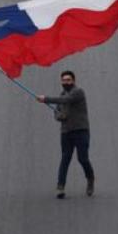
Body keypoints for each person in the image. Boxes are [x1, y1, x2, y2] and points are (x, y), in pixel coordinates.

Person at [37, 70, 95, 199]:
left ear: (73, 81)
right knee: (65, 158)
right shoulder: (62, 95)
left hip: (81, 131)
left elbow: (65, 100)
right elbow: (57, 113)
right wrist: (60, 116)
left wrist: (45, 99)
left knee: (82, 159)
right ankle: (60, 186)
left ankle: (90, 178)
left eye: (68, 80)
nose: (66, 82)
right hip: (66, 132)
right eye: (63, 80)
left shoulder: (78, 92)